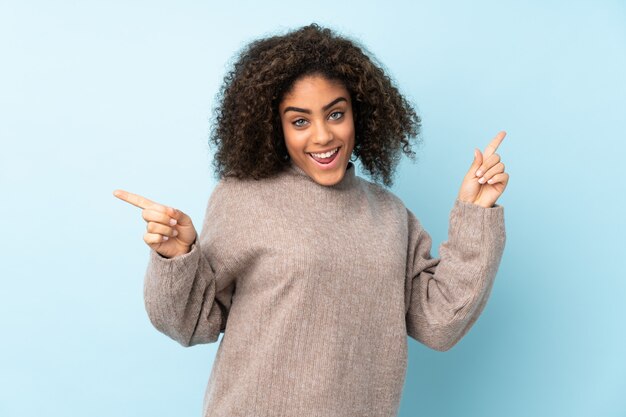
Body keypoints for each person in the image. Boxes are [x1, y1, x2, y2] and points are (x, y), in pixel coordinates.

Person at [113, 23, 508, 417]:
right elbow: (191, 323)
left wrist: (475, 215)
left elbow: (439, 323)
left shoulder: (389, 214)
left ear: (359, 114)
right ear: (275, 127)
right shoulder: (243, 199)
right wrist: (176, 259)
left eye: (335, 114)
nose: (322, 136)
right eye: (300, 121)